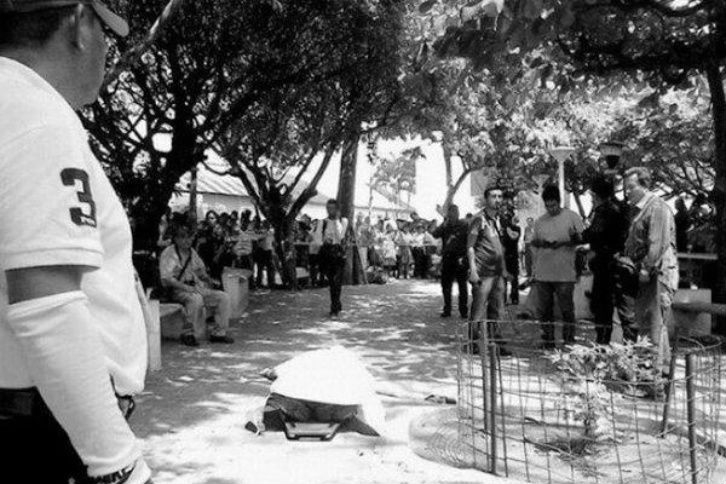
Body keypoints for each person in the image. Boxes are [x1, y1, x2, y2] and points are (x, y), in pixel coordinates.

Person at [0, 3, 152, 483]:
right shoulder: (37, 114)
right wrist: (118, 465)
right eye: (109, 33)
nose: (108, 51)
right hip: (43, 430)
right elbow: (48, 302)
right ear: (80, 24)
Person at [623, 167, 678, 374]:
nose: (627, 191)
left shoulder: (657, 208)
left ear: (645, 186)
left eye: (631, 187)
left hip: (658, 275)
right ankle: (653, 374)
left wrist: (645, 268)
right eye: (625, 187)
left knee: (655, 325)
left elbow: (657, 244)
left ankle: (655, 377)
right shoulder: (639, 210)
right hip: (645, 273)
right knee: (647, 323)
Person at [159, 224, 235, 347]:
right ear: (176, 239)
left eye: (189, 237)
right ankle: (188, 333)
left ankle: (218, 332)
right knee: (195, 299)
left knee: (223, 297)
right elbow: (167, 279)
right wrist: (186, 288)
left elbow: (200, 270)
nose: (187, 240)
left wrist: (208, 280)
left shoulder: (192, 252)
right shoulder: (169, 253)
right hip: (177, 290)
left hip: (195, 287)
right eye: (183, 237)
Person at [582, 174, 635, 344]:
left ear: (596, 194)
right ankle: (631, 350)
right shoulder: (624, 208)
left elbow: (594, 234)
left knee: (603, 309)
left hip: (606, 265)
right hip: (624, 263)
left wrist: (581, 236)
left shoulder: (604, 210)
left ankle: (602, 347)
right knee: (626, 311)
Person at [530, 185, 584, 348]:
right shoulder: (540, 222)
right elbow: (534, 243)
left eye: (553, 205)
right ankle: (548, 339)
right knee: (545, 310)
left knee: (566, 309)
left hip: (564, 273)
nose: (551, 209)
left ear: (559, 202)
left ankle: (568, 340)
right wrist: (542, 243)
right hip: (543, 273)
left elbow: (581, 241)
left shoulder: (572, 217)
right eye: (548, 206)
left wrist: (566, 242)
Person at [467, 187, 510, 356]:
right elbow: (470, 246)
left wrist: (505, 270)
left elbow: (500, 247)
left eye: (500, 196)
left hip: (498, 273)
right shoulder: (479, 219)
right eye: (493, 196)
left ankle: (495, 343)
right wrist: (473, 271)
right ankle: (472, 343)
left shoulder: (498, 219)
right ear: (486, 199)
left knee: (498, 310)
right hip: (483, 272)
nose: (497, 199)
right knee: (478, 309)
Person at [432, 204, 469, 319]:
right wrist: (444, 224)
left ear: (458, 213)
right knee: (446, 285)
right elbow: (435, 234)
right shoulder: (445, 225)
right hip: (448, 258)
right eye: (450, 213)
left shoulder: (464, 224)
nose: (452, 215)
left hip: (460, 258)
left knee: (462, 286)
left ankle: (463, 310)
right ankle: (447, 309)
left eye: (454, 212)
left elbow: (470, 240)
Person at [314, 199, 349, 316]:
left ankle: (334, 306)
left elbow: (341, 236)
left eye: (333, 208)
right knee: (331, 281)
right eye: (328, 208)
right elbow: (317, 240)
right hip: (327, 253)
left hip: (338, 252)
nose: (330, 211)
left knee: (337, 281)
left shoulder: (343, 221)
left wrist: (335, 223)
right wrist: (324, 240)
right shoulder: (322, 222)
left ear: (337, 209)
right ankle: (335, 303)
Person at [502, 213, 522, 305]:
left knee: (514, 279)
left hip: (513, 256)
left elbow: (513, 237)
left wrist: (507, 228)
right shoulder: (502, 230)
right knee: (503, 279)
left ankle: (514, 298)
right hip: (504, 256)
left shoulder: (517, 229)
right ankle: (503, 299)